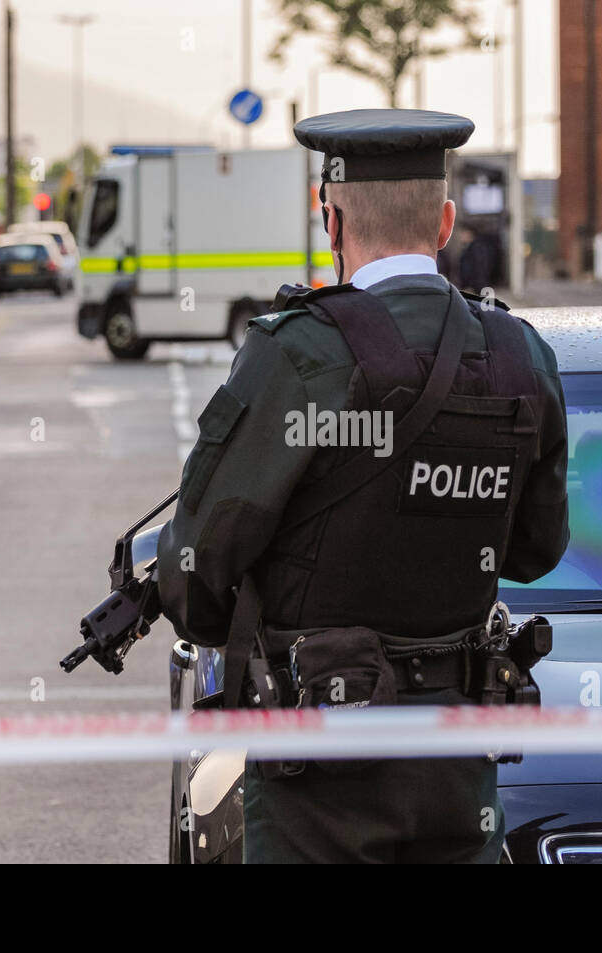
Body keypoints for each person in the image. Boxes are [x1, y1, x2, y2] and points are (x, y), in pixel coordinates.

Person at [155, 108, 569, 864]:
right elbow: (538, 549)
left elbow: (195, 583)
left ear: (331, 219)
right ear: (444, 223)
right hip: (456, 786)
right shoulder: (520, 356)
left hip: (315, 797)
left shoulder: (297, 355)